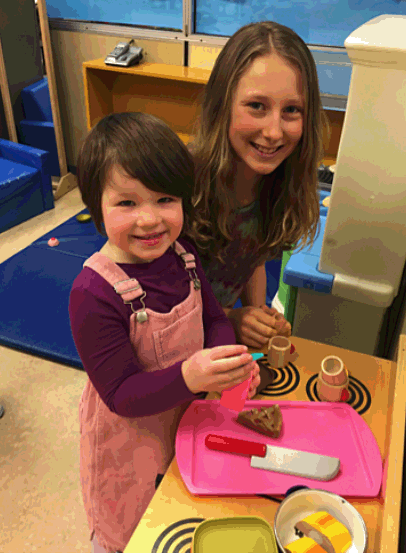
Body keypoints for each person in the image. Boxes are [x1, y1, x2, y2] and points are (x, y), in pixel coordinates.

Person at [69, 112, 260, 553]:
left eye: (164, 199)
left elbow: (214, 318)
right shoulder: (92, 293)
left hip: (187, 416)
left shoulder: (185, 254)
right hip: (129, 441)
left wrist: (226, 359)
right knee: (132, 531)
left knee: (183, 511)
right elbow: (121, 394)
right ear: (94, 204)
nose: (150, 219)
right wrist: (191, 376)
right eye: (127, 203)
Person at [188, 21, 327, 348]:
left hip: (213, 347)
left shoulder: (279, 184)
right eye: (257, 106)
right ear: (223, 103)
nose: (275, 132)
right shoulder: (180, 185)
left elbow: (252, 257)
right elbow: (153, 302)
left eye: (291, 110)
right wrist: (229, 320)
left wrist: (257, 313)